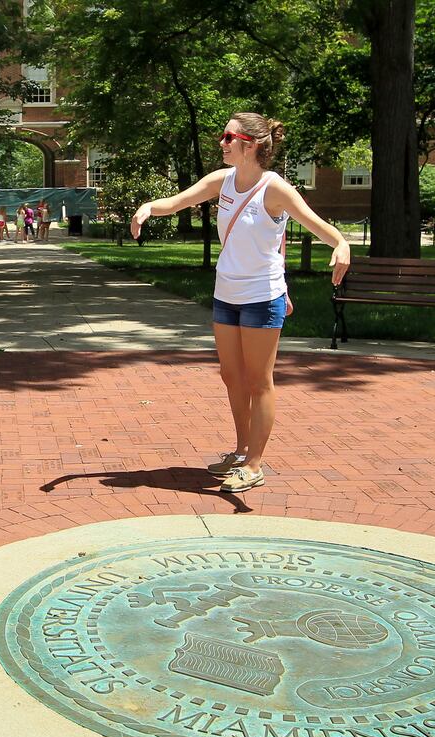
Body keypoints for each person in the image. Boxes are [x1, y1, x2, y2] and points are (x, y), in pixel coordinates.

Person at [131, 111, 350, 493]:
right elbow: (177, 202)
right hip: (226, 294)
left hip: (261, 296)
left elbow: (318, 225)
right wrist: (148, 208)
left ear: (249, 145)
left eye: (227, 137)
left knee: (258, 380)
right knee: (231, 377)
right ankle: (240, 450)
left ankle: (255, 463)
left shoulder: (274, 188)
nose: (222, 143)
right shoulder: (224, 180)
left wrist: (342, 245)